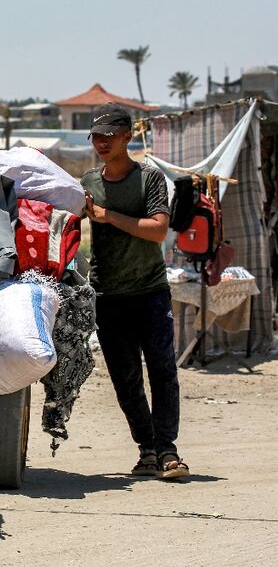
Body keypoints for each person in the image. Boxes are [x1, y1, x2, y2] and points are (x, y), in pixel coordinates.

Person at [81, 102, 190, 480]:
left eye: (109, 136)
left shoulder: (149, 179)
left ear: (128, 136)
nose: (101, 143)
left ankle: (168, 451)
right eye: (96, 136)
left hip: (149, 292)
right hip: (109, 295)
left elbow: (159, 229)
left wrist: (108, 216)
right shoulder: (88, 183)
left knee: (162, 371)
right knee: (124, 377)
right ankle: (147, 450)